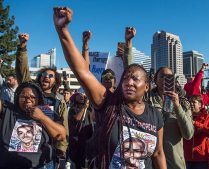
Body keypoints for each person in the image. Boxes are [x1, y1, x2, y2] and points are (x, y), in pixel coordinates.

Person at [53, 7, 167, 169]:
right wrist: (63, 30)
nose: (129, 82)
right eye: (125, 78)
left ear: (147, 86)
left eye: (135, 78)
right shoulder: (109, 103)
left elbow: (158, 153)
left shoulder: (155, 115)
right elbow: (82, 71)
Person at [15, 32, 69, 165]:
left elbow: (64, 129)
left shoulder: (58, 102)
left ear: (55, 82)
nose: (46, 77)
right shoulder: (31, 91)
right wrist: (22, 48)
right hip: (21, 147)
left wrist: (61, 149)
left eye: (51, 76)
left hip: (44, 154)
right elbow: (22, 72)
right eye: (44, 74)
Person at [0, 82, 67, 169]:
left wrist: (42, 117)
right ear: (17, 97)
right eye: (23, 97)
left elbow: (61, 136)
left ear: (39, 99)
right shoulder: (8, 109)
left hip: (38, 166)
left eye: (33, 97)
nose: (28, 99)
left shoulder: (47, 112)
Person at [148, 67, 194, 169]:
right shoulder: (147, 100)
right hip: (151, 163)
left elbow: (188, 134)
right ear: (155, 80)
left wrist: (177, 106)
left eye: (169, 76)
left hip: (175, 163)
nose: (165, 79)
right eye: (162, 76)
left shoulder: (183, 102)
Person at [183, 77, 209, 169]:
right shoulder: (184, 117)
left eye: (193, 102)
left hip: (201, 159)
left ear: (200, 105)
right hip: (185, 158)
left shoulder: (207, 117)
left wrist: (198, 124)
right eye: (190, 102)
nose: (191, 104)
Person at [68, 93, 95, 169]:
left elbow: (94, 117)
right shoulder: (73, 109)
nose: (82, 97)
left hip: (89, 139)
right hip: (77, 140)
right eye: (79, 95)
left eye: (83, 96)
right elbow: (77, 118)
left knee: (89, 163)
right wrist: (84, 107)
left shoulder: (90, 109)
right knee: (78, 163)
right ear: (74, 98)